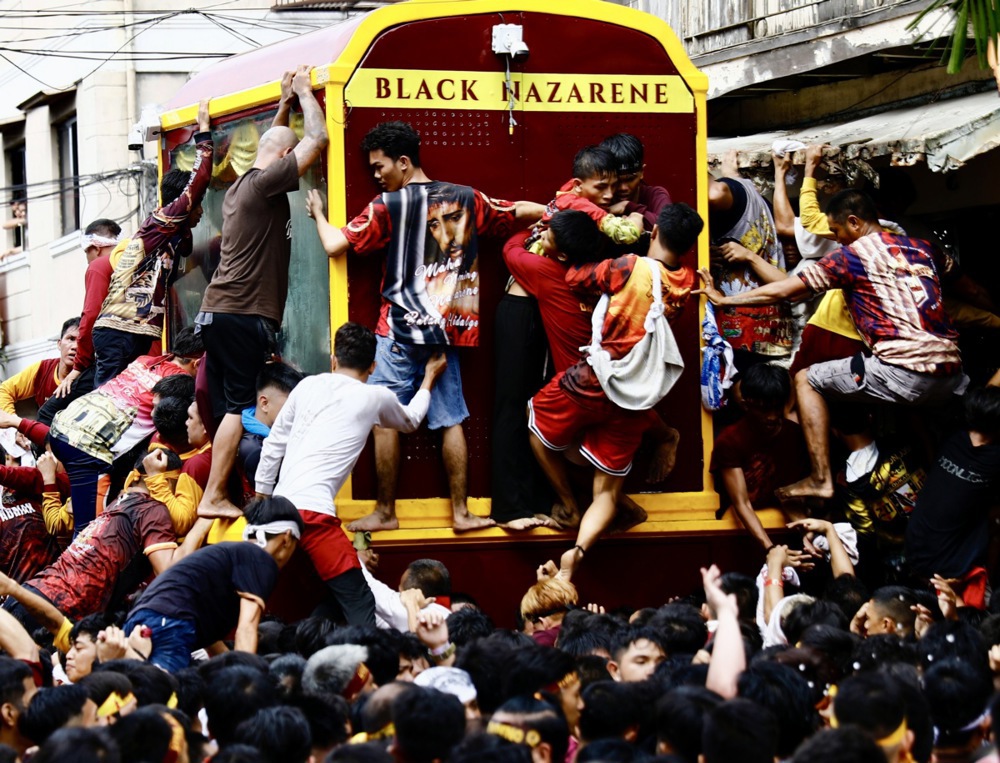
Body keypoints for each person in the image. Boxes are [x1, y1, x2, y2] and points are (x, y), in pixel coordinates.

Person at [306, 120, 545, 532]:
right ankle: (462, 513)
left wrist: (318, 213)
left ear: (403, 162)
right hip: (445, 332)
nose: (376, 176)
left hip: (397, 330)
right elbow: (515, 210)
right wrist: (556, 211)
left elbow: (334, 245)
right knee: (450, 419)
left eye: (379, 167)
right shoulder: (465, 198)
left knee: (384, 422)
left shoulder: (388, 205)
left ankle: (385, 512)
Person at [696, 189, 967, 502]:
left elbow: (786, 291)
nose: (837, 240)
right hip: (952, 377)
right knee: (914, 415)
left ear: (854, 222)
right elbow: (967, 286)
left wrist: (726, 298)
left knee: (805, 379)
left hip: (905, 372)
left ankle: (821, 479)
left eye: (837, 232)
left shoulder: (852, 256)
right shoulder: (925, 248)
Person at [530, 204, 703, 579]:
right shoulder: (687, 279)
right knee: (606, 490)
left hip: (595, 380)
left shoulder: (629, 266)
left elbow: (578, 279)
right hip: (636, 395)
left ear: (654, 233)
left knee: (536, 424)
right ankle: (577, 550)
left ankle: (567, 504)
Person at [196, 65, 328, 521]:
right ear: (283, 160)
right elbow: (318, 141)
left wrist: (283, 105)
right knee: (238, 406)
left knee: (233, 404)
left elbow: (277, 145)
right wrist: (308, 96)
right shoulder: (267, 182)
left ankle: (225, 490)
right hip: (242, 312)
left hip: (222, 312)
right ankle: (215, 494)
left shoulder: (242, 185)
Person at [255, 322, 449, 626]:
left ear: (333, 360)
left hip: (279, 508)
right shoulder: (376, 396)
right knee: (358, 602)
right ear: (373, 366)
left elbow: (273, 446)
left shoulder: (306, 386)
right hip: (316, 516)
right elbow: (410, 421)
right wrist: (427, 379)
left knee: (250, 592)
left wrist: (262, 501)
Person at [0, 329, 203, 531]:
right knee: (88, 533)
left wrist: (17, 422)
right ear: (197, 362)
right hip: (89, 452)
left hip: (62, 428)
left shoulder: (143, 361)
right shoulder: (181, 385)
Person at [90, 100, 212, 388]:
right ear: (181, 204)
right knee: (108, 400)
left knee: (131, 402)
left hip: (136, 332)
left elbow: (184, 253)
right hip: (118, 330)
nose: (201, 212)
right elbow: (199, 182)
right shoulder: (161, 220)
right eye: (196, 207)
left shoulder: (172, 234)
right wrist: (204, 134)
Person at [123, 495, 302, 671]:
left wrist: (225, 663)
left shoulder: (231, 556)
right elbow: (246, 629)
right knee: (166, 696)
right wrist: (247, 681)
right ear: (286, 539)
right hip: (169, 624)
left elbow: (207, 627)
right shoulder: (260, 560)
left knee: (136, 691)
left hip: (141, 619)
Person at [906, 386, 1000, 601]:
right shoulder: (994, 460)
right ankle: (991, 588)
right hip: (948, 569)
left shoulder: (953, 437)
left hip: (916, 552)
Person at [710, 363, 809, 549]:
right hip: (745, 528)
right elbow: (742, 504)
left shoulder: (795, 435)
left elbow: (790, 493)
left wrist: (807, 534)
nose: (772, 416)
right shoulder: (730, 440)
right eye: (763, 409)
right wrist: (771, 550)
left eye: (776, 408)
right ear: (747, 405)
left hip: (787, 516)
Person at [37, 220, 124, 426]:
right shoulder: (136, 262)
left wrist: (78, 368)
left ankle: (53, 459)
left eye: (87, 253)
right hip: (141, 354)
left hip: (110, 358)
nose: (87, 260)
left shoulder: (99, 265)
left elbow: (91, 315)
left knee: (46, 416)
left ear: (94, 247)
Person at [524, 145, 645, 253]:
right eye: (601, 187)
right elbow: (627, 233)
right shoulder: (583, 206)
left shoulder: (569, 189)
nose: (610, 194)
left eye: (613, 185)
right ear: (577, 185)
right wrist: (636, 217)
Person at [0, 318, 80, 416]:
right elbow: (4, 390)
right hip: (42, 429)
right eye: (71, 339)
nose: (75, 346)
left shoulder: (91, 376)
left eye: (81, 341)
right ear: (59, 344)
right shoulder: (42, 369)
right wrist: (14, 422)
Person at [599, 133, 671, 231]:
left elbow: (668, 229)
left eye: (630, 179)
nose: (623, 188)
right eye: (617, 181)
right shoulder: (598, 197)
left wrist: (627, 206)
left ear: (642, 172)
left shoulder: (655, 195)